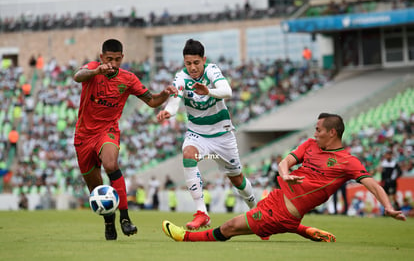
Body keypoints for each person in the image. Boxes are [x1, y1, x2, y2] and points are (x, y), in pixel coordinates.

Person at [162, 113, 406, 242]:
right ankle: (303, 230)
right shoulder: (310, 144)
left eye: (319, 129)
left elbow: (372, 184)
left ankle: (186, 238)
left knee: (230, 227)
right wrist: (286, 174)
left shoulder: (347, 162)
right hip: (277, 199)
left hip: (282, 213)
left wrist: (387, 207)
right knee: (252, 225)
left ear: (332, 133)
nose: (315, 133)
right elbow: (284, 162)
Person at [73, 38, 177, 240]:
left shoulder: (128, 79)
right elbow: (77, 76)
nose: (112, 63)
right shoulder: (93, 69)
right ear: (102, 57)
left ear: (122, 58)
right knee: (95, 188)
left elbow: (152, 101)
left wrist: (164, 94)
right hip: (83, 136)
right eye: (108, 59)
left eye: (117, 59)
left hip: (107, 130)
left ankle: (125, 218)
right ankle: (109, 221)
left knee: (111, 164)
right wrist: (96, 72)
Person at [157, 39, 257, 230]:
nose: (192, 67)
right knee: (188, 155)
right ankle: (202, 213)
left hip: (223, 135)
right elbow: (175, 98)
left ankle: (256, 212)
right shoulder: (181, 78)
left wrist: (208, 91)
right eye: (188, 63)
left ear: (203, 60)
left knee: (237, 179)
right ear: (184, 63)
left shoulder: (212, 70)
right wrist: (169, 111)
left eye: (196, 63)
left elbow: (227, 91)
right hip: (197, 134)